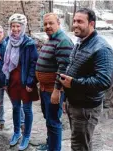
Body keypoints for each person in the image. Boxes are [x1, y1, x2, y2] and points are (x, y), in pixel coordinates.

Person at [60, 8, 113, 151]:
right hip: (75, 103)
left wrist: (73, 83)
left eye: (80, 21)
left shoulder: (102, 48)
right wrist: (67, 98)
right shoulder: (80, 42)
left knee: (78, 146)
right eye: (74, 21)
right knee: (83, 144)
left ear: (91, 24)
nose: (75, 24)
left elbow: (104, 81)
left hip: (86, 108)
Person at [35, 13, 74, 151]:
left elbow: (64, 69)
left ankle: (54, 148)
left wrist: (57, 91)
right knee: (49, 119)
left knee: (53, 121)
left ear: (59, 23)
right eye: (45, 24)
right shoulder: (51, 39)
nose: (48, 26)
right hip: (45, 89)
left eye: (51, 23)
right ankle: (50, 144)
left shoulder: (63, 41)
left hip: (53, 90)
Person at [2, 13, 39, 151]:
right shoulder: (7, 41)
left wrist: (30, 82)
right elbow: (5, 64)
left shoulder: (29, 43)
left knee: (27, 109)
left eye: (18, 26)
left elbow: (33, 64)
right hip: (13, 82)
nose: (15, 29)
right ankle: (17, 132)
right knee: (16, 108)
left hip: (25, 82)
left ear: (23, 27)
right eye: (13, 26)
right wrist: (5, 80)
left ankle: (26, 135)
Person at [0, 25, 25, 131]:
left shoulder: (9, 45)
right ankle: (0, 121)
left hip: (9, 80)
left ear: (3, 33)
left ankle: (22, 122)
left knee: (16, 102)